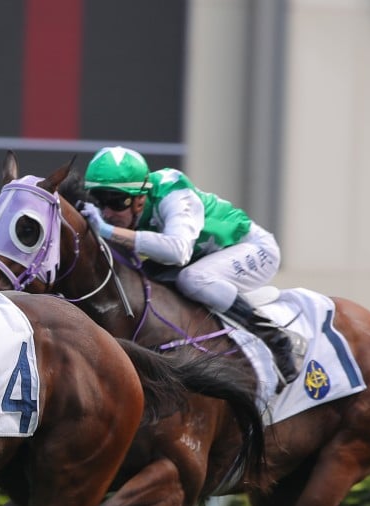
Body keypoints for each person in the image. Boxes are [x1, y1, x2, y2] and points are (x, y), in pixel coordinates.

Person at [80, 146, 299, 383]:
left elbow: (178, 251)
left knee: (193, 279)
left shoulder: (173, 191)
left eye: (116, 202)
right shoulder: (114, 212)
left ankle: (273, 338)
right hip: (203, 257)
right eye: (99, 201)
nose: (107, 212)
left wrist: (106, 231)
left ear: (141, 198)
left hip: (253, 249)